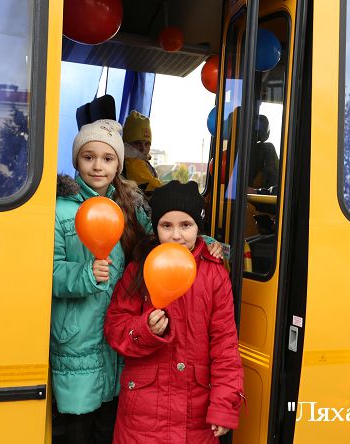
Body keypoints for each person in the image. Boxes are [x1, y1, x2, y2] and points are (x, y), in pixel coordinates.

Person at [52, 124, 223, 443]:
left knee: (109, 422)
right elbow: (46, 272)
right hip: (78, 337)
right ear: (76, 161)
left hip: (121, 337)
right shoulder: (60, 210)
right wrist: (84, 275)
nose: (98, 166)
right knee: (78, 427)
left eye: (107, 158)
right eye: (88, 157)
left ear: (119, 164)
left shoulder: (129, 207)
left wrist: (206, 243)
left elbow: (159, 240)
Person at [104, 180, 244, 443]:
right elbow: (115, 328)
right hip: (143, 413)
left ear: (198, 227)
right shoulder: (139, 269)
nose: (176, 235)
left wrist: (224, 406)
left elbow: (225, 345)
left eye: (186, 225)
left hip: (196, 415)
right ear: (155, 228)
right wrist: (145, 329)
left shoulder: (214, 274)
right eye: (166, 226)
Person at [122, 110, 163, 192]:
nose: (143, 149)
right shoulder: (131, 161)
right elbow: (153, 187)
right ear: (127, 144)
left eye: (147, 144)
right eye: (137, 143)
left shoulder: (142, 160)